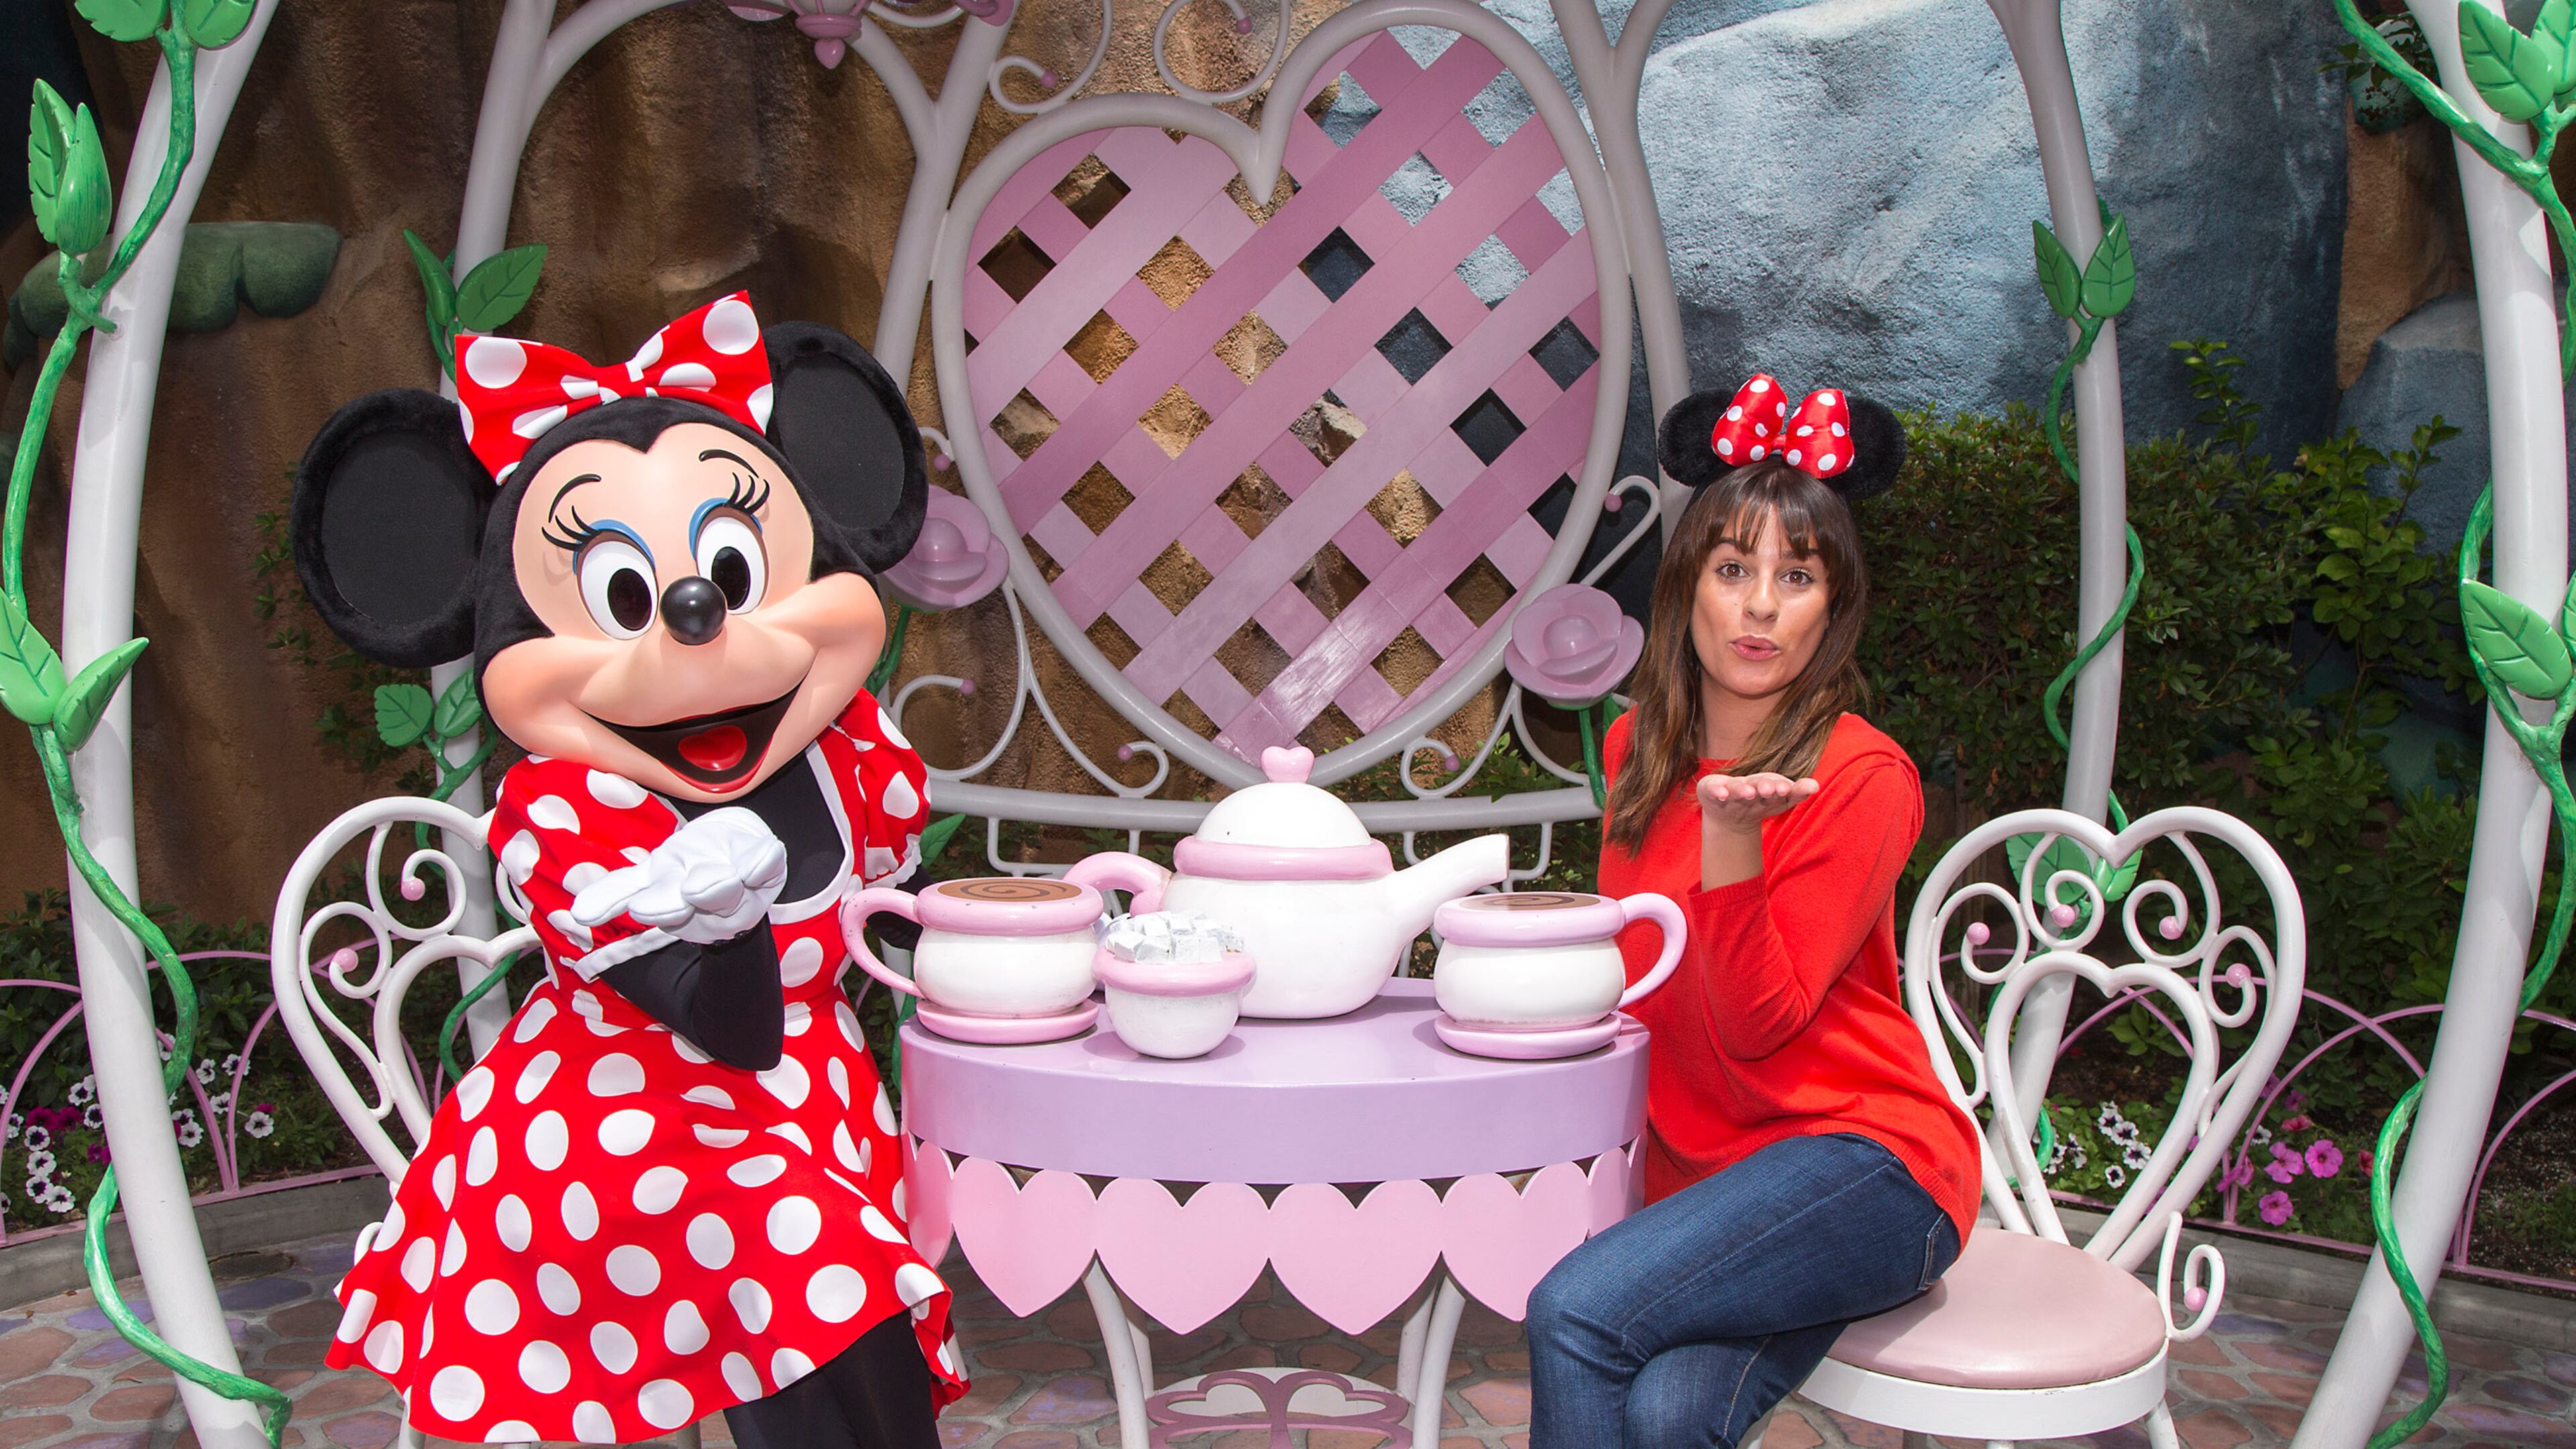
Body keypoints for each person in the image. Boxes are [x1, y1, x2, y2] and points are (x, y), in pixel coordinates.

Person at [292, 294, 963, 1448]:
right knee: (811, 1273)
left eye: (731, 571)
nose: (696, 618)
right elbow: (729, 1030)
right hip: (621, 1130)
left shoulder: (850, 749)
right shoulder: (570, 808)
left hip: (805, 1110)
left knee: (827, 1267)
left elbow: (884, 935)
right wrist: (729, 905)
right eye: (623, 597)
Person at [1525, 375, 1982, 1447]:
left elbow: (1761, 1022)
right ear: (1686, 589)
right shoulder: (1637, 751)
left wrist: (1735, 844)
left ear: (1836, 605)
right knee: (1672, 1410)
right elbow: (1638, 978)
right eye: (1734, 570)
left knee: (1577, 1312)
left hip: (1869, 1168)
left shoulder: (1863, 776)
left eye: (1797, 575)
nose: (1763, 606)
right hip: (1718, 1184)